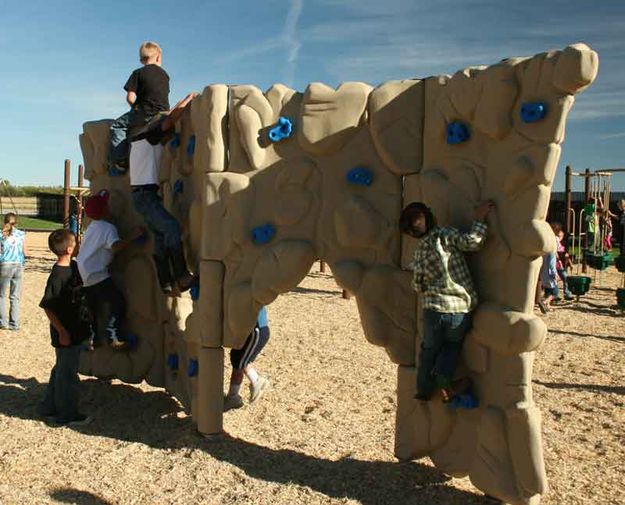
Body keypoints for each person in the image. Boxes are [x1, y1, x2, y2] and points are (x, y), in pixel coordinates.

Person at [399, 200, 494, 403]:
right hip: (460, 308)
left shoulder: (418, 253)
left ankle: (423, 390)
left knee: (429, 350)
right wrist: (479, 219)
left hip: (433, 310)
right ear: (431, 218)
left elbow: (417, 286)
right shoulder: (445, 235)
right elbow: (472, 242)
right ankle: (444, 383)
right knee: (452, 346)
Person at [128, 92, 198, 294]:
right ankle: (181, 274)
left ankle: (165, 282)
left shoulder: (140, 141)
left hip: (142, 195)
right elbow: (169, 121)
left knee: (160, 236)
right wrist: (187, 100)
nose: (170, 136)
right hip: (145, 195)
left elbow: (167, 123)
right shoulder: (148, 137)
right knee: (172, 228)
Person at [76, 190, 144, 349]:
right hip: (97, 274)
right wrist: (133, 237)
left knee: (93, 306)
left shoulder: (92, 226)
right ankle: (112, 335)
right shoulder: (108, 228)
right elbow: (115, 247)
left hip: (84, 272)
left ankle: (93, 339)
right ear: (106, 210)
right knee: (117, 302)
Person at [37, 229, 91, 426]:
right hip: (66, 333)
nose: (79, 245)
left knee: (61, 369)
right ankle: (66, 413)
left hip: (77, 328)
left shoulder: (74, 267)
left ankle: (48, 406)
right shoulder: (57, 276)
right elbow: (48, 307)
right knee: (67, 374)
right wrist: (62, 331)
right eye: (76, 242)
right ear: (69, 249)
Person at [109, 41, 170, 174]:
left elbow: (130, 98)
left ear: (141, 59)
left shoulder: (138, 73)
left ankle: (121, 161)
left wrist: (135, 108)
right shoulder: (165, 75)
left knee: (117, 126)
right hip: (164, 112)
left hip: (145, 112)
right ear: (158, 57)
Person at [224, 306, 271, 411]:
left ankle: (235, 396)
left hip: (255, 331)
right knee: (237, 358)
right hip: (250, 330)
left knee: (240, 363)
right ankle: (234, 396)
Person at [0, 212, 27, 330]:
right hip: (18, 265)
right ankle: (14, 323)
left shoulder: (1, 235)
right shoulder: (21, 234)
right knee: (15, 296)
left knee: (1, 295)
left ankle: (3, 322)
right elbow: (25, 252)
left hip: (5, 264)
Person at [550, 222, 574, 301]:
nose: (559, 237)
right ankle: (555, 294)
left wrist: (570, 264)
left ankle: (567, 293)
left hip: (562, 265)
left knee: (565, 278)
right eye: (557, 235)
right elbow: (555, 253)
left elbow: (567, 255)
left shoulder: (563, 245)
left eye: (560, 236)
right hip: (555, 264)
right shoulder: (554, 243)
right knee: (555, 279)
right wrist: (559, 261)